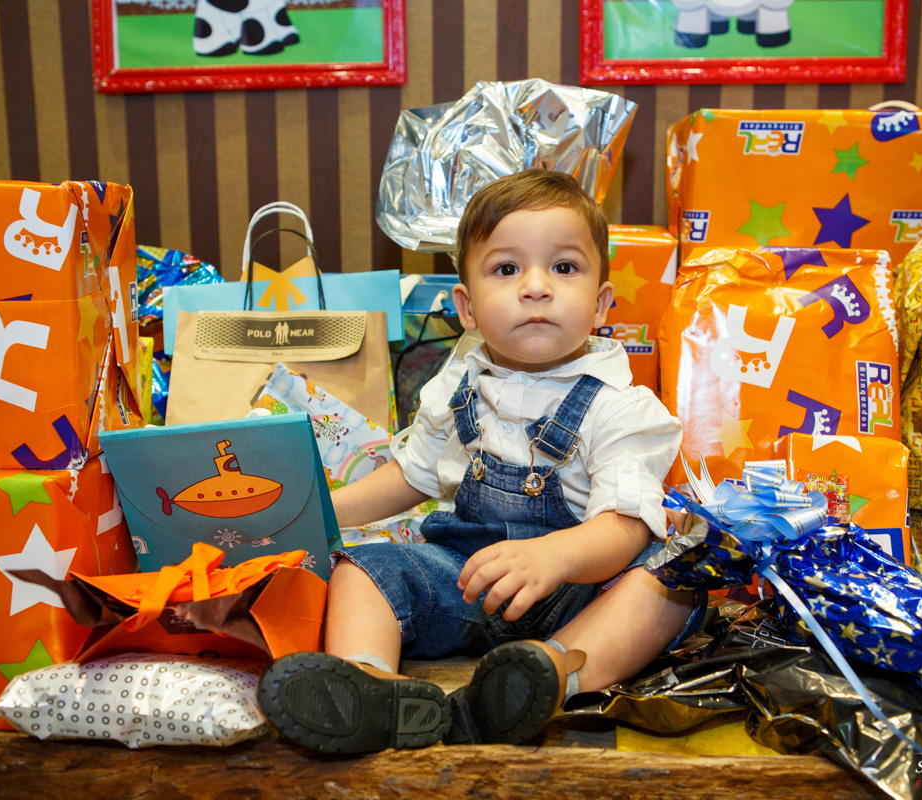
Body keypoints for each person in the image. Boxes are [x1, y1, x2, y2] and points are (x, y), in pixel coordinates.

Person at [258, 168, 698, 754]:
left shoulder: (622, 407)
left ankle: (545, 677)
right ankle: (370, 686)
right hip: (468, 579)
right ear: (466, 307)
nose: (536, 287)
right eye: (507, 269)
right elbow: (409, 477)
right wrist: (316, 515)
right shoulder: (458, 387)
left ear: (601, 303)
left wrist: (554, 556)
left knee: (674, 575)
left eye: (564, 267)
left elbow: (625, 526)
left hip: (579, 590)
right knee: (362, 568)